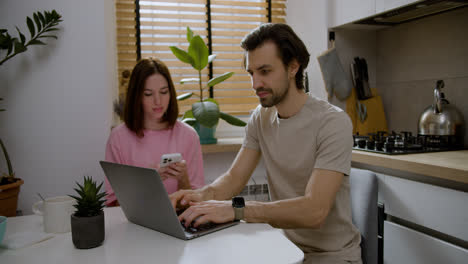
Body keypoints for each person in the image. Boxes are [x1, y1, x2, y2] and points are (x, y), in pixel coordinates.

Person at [170, 23, 362, 264]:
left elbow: (315, 212)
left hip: (332, 257)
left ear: (293, 67)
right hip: (284, 249)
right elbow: (233, 179)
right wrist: (196, 197)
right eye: (251, 73)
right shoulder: (261, 117)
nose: (255, 83)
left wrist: (237, 209)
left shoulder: (333, 123)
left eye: (265, 71)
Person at [105, 58, 205, 207]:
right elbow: (113, 205)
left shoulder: (188, 136)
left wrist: (183, 179)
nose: (158, 101)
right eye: (148, 94)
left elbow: (196, 204)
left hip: (180, 223)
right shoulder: (119, 138)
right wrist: (148, 184)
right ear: (136, 96)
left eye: (164, 92)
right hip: (135, 226)